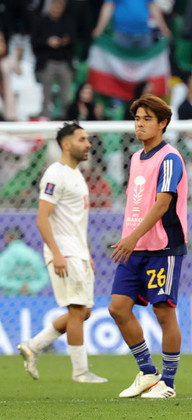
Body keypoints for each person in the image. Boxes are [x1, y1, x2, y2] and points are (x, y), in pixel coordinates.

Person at [108, 95, 188, 399]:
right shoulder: (135, 158)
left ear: (162, 123)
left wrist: (133, 236)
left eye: (146, 119)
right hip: (134, 247)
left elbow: (163, 202)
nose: (140, 124)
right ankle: (147, 371)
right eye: (137, 119)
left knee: (164, 312)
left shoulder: (170, 158)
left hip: (163, 247)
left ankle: (167, 382)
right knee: (117, 307)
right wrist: (129, 236)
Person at [17, 122, 107, 384]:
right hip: (64, 252)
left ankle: (33, 346)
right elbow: (42, 218)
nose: (88, 144)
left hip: (77, 251)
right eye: (82, 139)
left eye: (88, 139)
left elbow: (75, 220)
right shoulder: (55, 174)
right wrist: (56, 253)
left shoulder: (76, 174)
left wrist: (86, 251)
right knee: (77, 309)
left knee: (84, 311)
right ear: (66, 144)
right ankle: (80, 372)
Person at [0, 227, 49, 296]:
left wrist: (18, 286)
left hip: (10, 298)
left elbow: (1, 278)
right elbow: (44, 278)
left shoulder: (5, 256)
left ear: (9, 238)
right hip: (31, 299)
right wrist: (30, 287)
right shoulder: (33, 254)